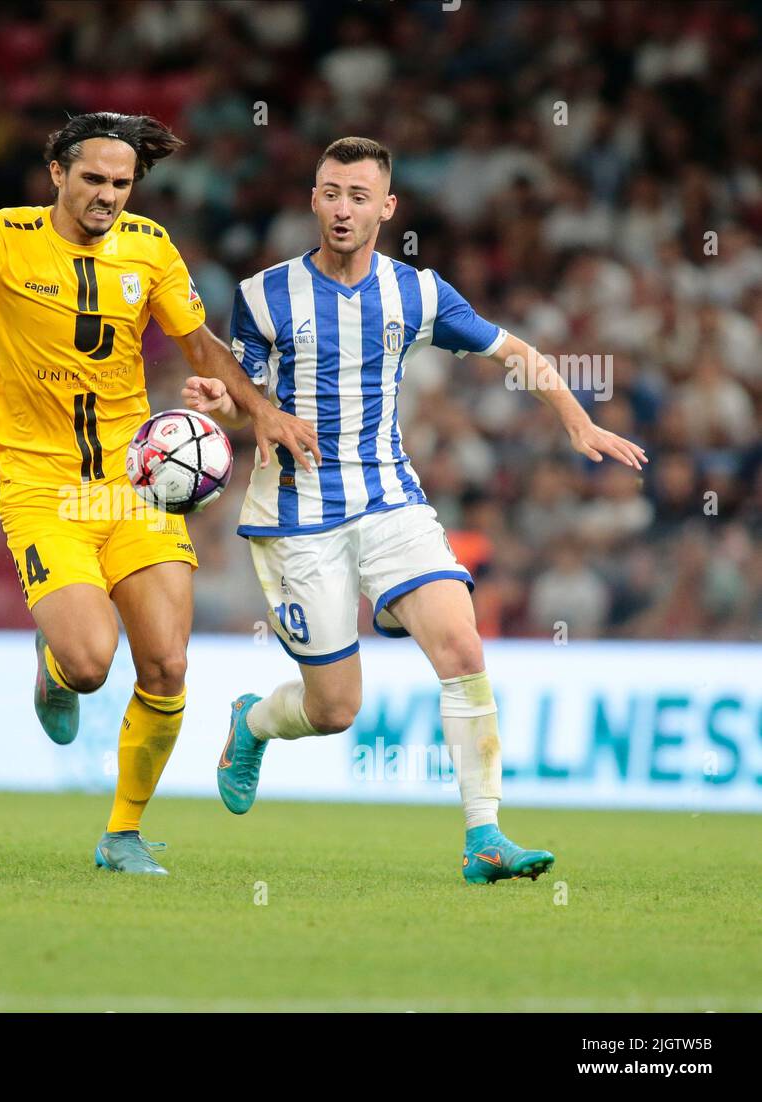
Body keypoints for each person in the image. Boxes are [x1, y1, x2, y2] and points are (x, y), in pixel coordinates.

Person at [0, 112, 317, 874]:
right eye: (95, 180)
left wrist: (259, 411)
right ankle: (56, 666)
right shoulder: (3, 241)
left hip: (135, 484)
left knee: (166, 665)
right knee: (92, 662)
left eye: (122, 184)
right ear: (58, 176)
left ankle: (122, 835)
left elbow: (201, 344)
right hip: (43, 489)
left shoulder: (151, 246)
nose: (108, 195)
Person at [184, 137, 647, 884]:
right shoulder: (263, 295)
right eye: (330, 192)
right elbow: (249, 405)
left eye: (358, 196)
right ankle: (253, 719)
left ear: (386, 208)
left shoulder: (419, 292)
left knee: (462, 652)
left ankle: (484, 836)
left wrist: (576, 420)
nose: (342, 208)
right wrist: (224, 401)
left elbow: (511, 350)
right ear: (312, 199)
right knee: (335, 709)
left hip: (391, 502)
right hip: (298, 515)